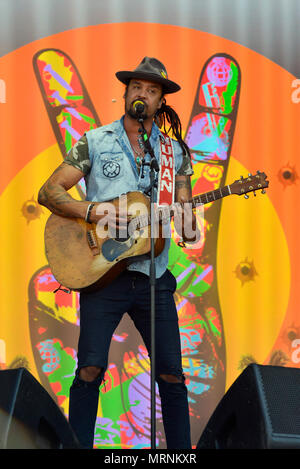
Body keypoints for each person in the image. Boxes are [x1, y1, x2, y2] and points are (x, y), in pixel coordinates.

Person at [38, 57, 199, 449]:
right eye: (137, 87)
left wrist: (187, 218)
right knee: (90, 369)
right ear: (126, 93)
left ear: (161, 102)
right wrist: (94, 211)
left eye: (153, 90)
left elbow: (187, 226)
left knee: (172, 375)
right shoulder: (94, 141)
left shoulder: (174, 152)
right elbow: (50, 192)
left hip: (153, 277)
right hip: (100, 272)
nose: (143, 94)